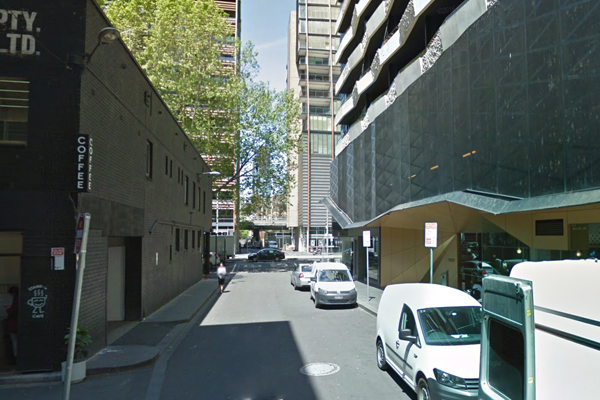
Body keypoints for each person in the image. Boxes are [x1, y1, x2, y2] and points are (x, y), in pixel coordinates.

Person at [5, 286, 18, 363]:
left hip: (13, 325)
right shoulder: (19, 300)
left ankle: (15, 357)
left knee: (14, 341)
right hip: (16, 324)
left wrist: (7, 309)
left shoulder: (16, 300)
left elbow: (12, 311)